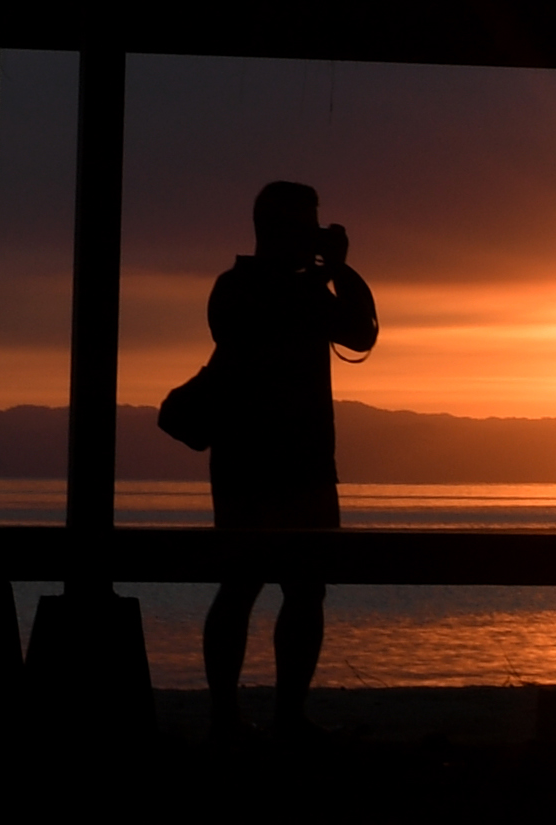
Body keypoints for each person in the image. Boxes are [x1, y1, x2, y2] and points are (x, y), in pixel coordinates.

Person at [202, 180, 378, 740]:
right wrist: (334, 271)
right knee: (246, 586)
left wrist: (334, 271)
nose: (314, 236)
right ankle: (238, 714)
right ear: (278, 230)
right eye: (306, 227)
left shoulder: (269, 288)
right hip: (265, 464)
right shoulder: (244, 288)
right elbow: (347, 329)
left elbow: (357, 333)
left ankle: (279, 714)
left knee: (300, 589)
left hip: (281, 462)